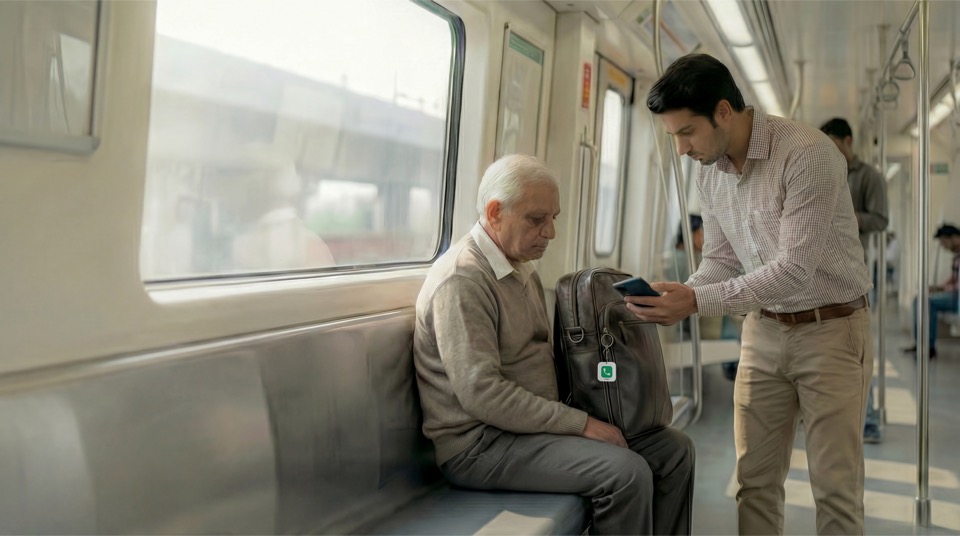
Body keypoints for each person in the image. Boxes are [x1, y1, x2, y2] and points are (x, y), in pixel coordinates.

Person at [636, 54, 872, 535]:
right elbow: (721, 258)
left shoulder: (806, 154)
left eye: (686, 133)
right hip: (762, 331)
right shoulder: (709, 170)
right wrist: (683, 292)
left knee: (835, 489)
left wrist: (697, 302)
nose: (681, 149)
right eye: (673, 137)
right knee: (755, 482)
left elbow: (794, 271)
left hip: (830, 330)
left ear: (724, 111)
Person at [413, 154, 695, 535]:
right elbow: (482, 394)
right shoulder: (463, 280)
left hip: (529, 430)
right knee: (625, 473)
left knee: (673, 451)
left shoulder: (518, 268)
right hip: (482, 444)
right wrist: (580, 425)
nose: (550, 233)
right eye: (536, 220)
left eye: (553, 218)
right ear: (495, 212)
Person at [820, 117, 888, 444]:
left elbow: (880, 218)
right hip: (819, 271)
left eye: (834, 146)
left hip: (856, 271)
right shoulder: (818, 169)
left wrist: (842, 213)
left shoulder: (869, 177)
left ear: (848, 141)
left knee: (857, 348)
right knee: (822, 345)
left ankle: (869, 419)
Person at [903, 223, 960, 358]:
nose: (943, 246)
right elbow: (954, 278)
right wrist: (937, 287)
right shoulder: (957, 257)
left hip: (957, 296)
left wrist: (942, 288)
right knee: (919, 299)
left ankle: (929, 346)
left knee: (927, 303)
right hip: (954, 294)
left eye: (944, 242)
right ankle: (921, 344)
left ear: (953, 238)